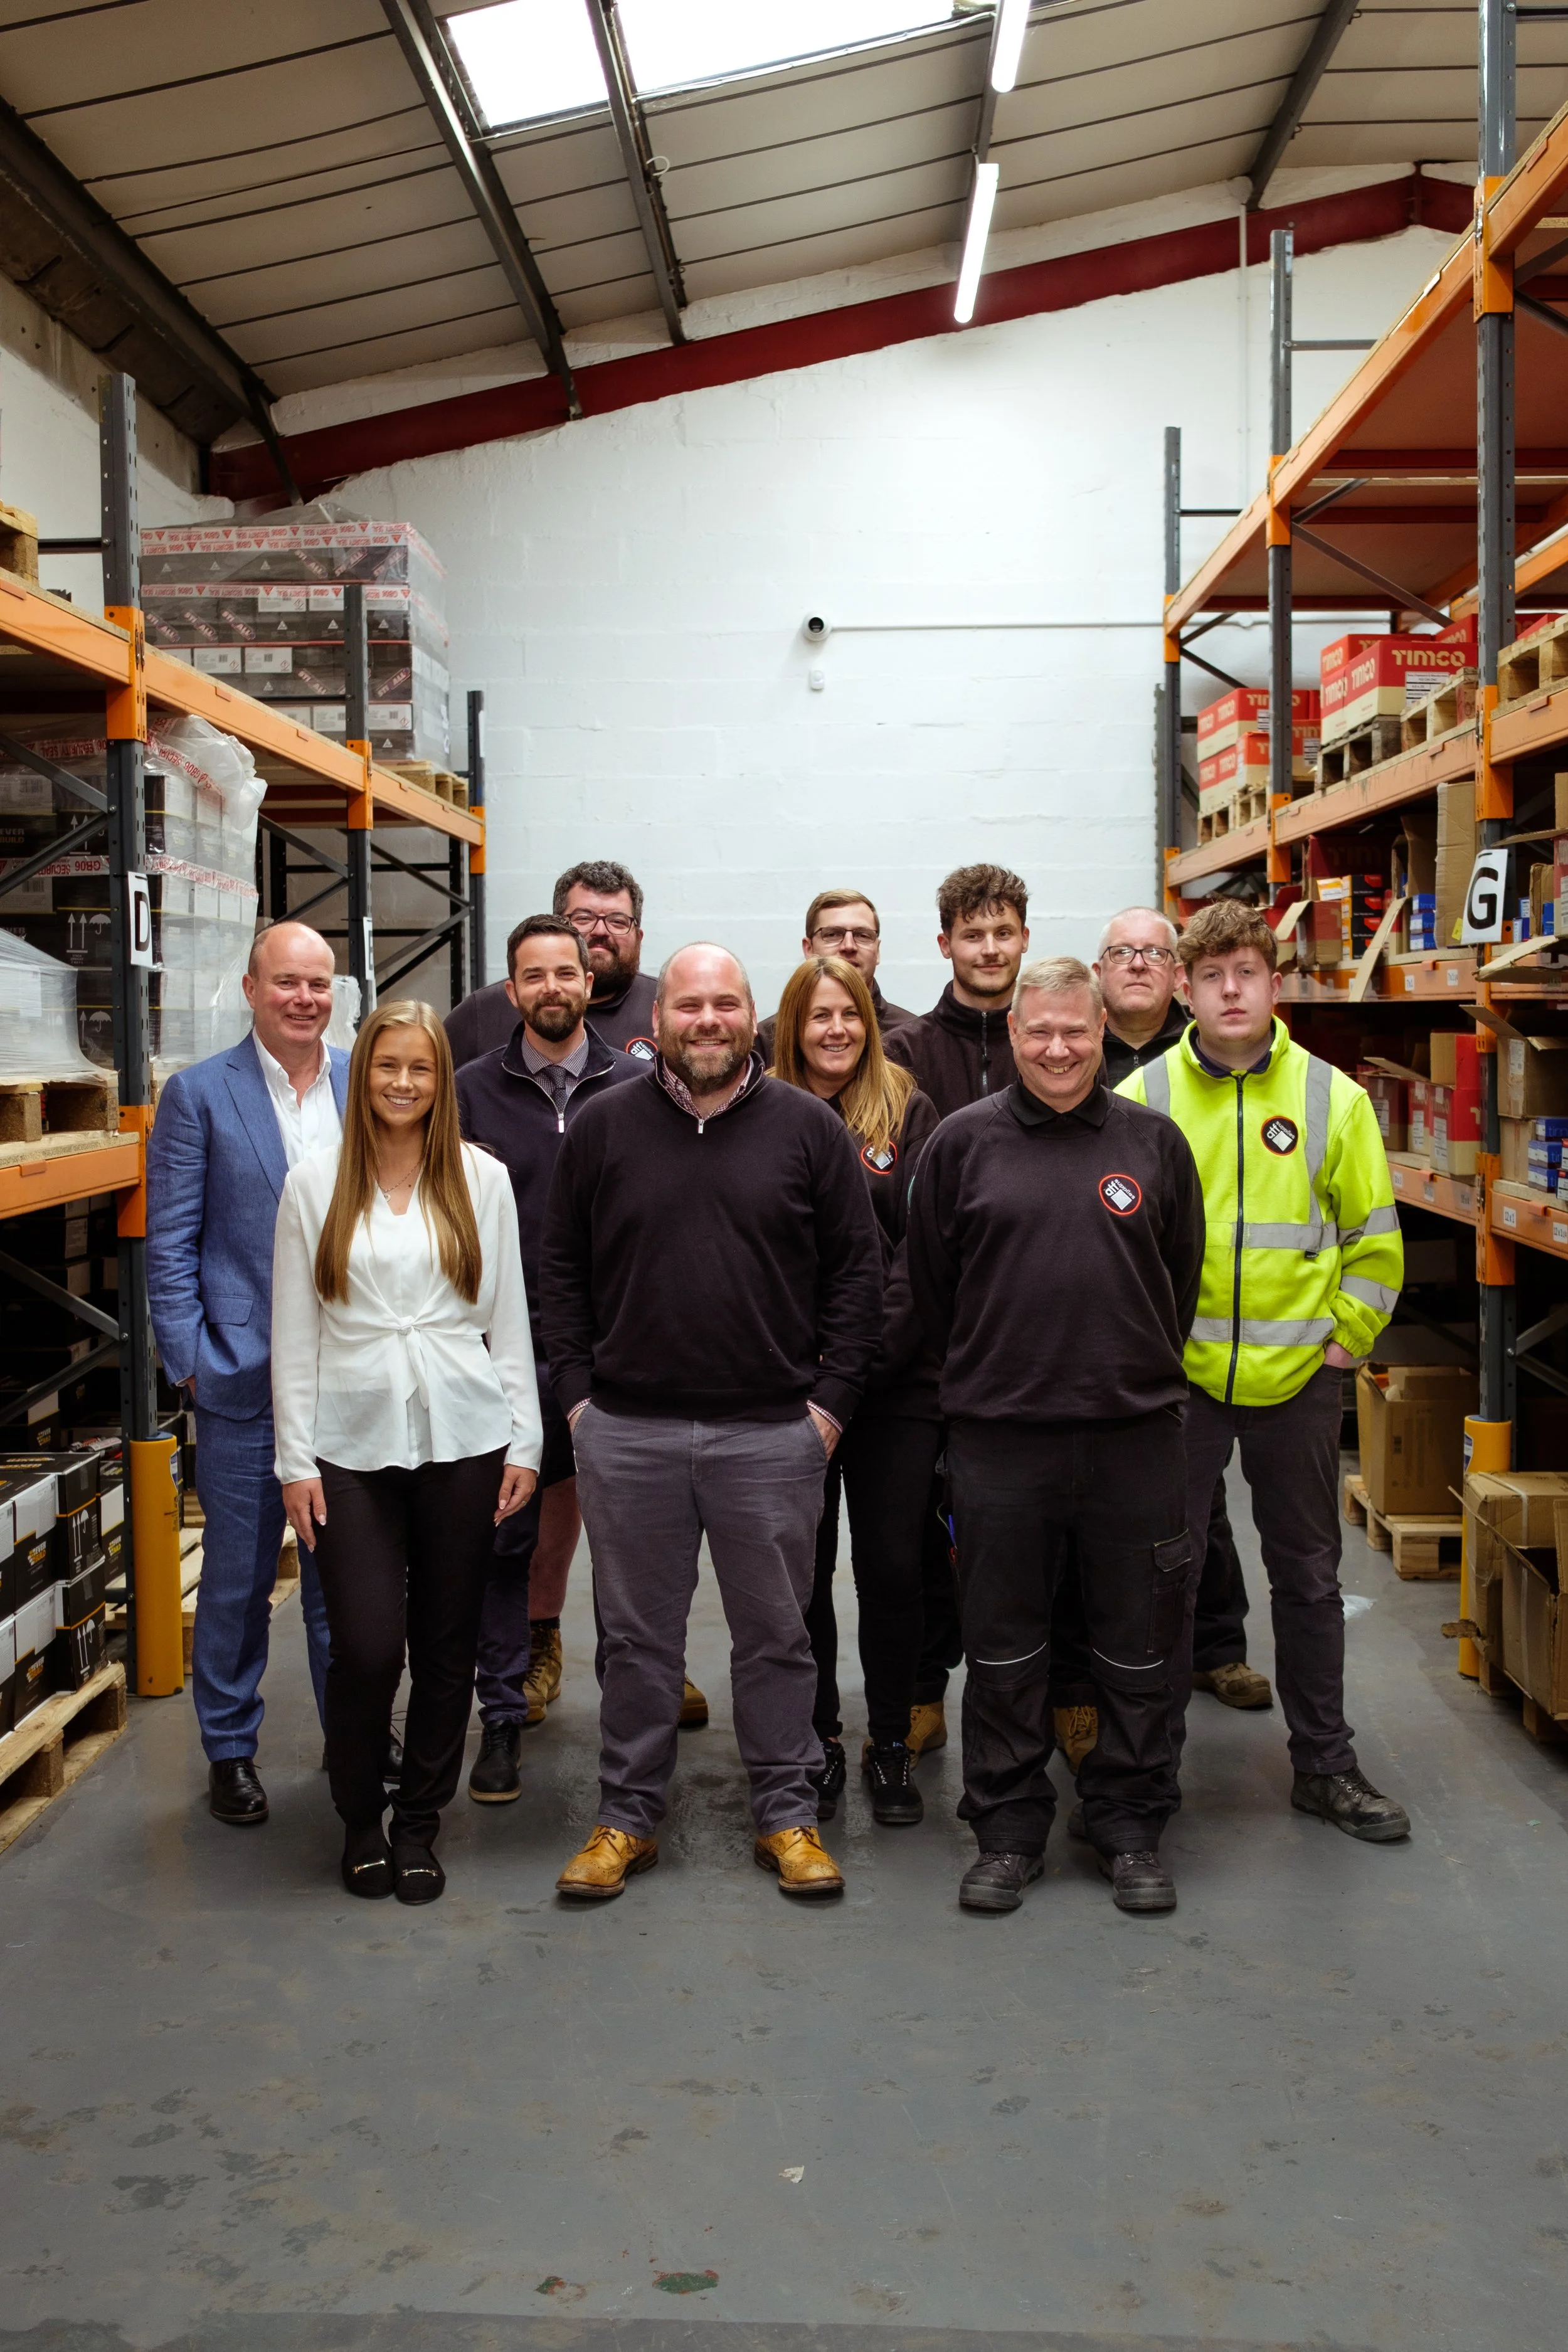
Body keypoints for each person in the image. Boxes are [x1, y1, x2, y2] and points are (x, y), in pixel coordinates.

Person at [540, 943, 883, 1903]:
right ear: (657, 1021)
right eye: (689, 1005)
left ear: (749, 1019)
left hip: (771, 1434)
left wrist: (829, 1407)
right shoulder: (604, 1129)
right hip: (630, 1431)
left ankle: (788, 1813)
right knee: (634, 1637)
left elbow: (859, 1278)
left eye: (725, 1004)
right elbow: (559, 1270)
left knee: (776, 1636)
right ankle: (627, 1818)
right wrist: (578, 1399)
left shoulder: (809, 1130)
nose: (707, 1021)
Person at [907, 956, 1204, 1916]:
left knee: (1138, 1647)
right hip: (1001, 1445)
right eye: (1039, 1031)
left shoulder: (1155, 1144)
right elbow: (936, 1288)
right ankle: (1007, 1829)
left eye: (1076, 1030)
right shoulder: (960, 1145)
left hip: (1134, 1441)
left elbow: (1179, 1277)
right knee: (1004, 1650)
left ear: (1101, 1033)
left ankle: (1128, 1824)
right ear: (1016, 1033)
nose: (1059, 1047)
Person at [1116, 898, 1411, 1844]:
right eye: (1211, 976)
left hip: (1299, 1383)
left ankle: (1324, 1763)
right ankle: (1148, 1772)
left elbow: (1373, 1236)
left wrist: (1347, 1339)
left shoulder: (1336, 1098)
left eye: (1247, 972)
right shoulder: (1145, 1099)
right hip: (1183, 1385)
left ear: (1273, 983)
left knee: (1310, 1578)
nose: (1230, 989)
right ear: (1183, 989)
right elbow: (1115, 1249)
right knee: (1167, 1576)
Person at [272, 1000, 542, 1903]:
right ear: (364, 1073)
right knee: (367, 1643)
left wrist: (526, 1441)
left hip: (465, 1433)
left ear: (441, 1080)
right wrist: (294, 1461)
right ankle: (360, 1816)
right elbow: (295, 1329)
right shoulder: (316, 1182)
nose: (402, 1082)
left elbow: (507, 1321)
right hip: (349, 1442)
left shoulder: (481, 1179)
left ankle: (419, 1822)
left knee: (447, 1642)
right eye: (386, 1064)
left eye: (420, 1068)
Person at [146, 921, 348, 1829]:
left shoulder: (361, 1078)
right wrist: (189, 1359)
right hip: (242, 1379)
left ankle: (352, 1731)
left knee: (342, 1578)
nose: (304, 998)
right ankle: (230, 1748)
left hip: (347, 1382)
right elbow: (171, 1240)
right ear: (250, 987)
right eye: (287, 983)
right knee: (235, 1583)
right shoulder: (199, 1095)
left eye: (319, 983)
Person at [454, 913, 645, 1804]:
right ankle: (499, 1720)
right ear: (512, 989)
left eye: (565, 971)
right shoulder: (468, 1093)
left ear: (587, 979)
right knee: (505, 1541)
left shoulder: (638, 1087)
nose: (553, 988)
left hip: (613, 1358)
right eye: (534, 975)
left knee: (629, 1547)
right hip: (503, 1357)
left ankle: (633, 1713)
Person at [768, 953, 940, 1826]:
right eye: (818, 1015)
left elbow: (927, 1250)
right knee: (802, 1574)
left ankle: (891, 1745)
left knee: (892, 1567)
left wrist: (868, 1359)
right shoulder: (762, 1114)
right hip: (791, 1391)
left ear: (869, 1023)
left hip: (892, 1386)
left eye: (849, 1015)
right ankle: (820, 1740)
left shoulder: (907, 1109)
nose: (834, 1029)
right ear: (792, 1026)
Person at [1096, 908, 1272, 1715]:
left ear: (1177, 976)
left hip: (1237, 1345)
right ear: (1099, 972)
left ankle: (1219, 1648)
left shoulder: (1199, 1053)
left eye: (1153, 953)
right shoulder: (1078, 1053)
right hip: (1145, 1334)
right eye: (1120, 952)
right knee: (1157, 1518)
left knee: (1204, 1513)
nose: (1137, 965)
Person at [883, 864, 1030, 1762]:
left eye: (1002, 931)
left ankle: (1053, 1693)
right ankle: (926, 1685)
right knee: (922, 1529)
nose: (988, 947)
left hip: (1030, 1331)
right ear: (944, 944)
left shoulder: (1051, 1036)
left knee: (1029, 1526)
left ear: (1023, 936)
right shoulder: (903, 1051)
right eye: (971, 934)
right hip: (933, 1337)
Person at [445, 861, 657, 1066]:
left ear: (638, 937)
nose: (600, 931)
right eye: (584, 918)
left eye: (617, 921)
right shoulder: (481, 1013)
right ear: (557, 925)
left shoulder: (669, 1008)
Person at [756, 889, 915, 1062]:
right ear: (808, 949)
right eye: (832, 935)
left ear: (877, 951)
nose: (849, 946)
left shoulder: (910, 1037)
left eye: (862, 935)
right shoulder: (766, 1041)